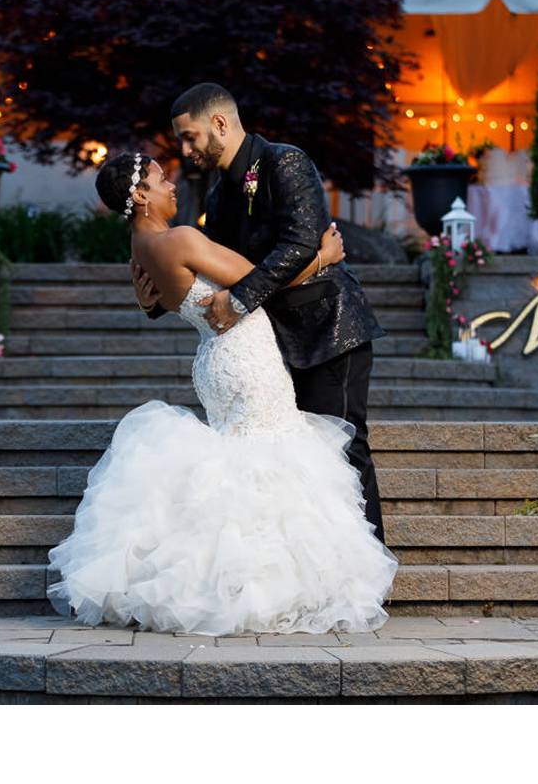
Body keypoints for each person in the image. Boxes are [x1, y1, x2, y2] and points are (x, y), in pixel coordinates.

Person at [45, 153, 398, 635]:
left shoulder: (140, 249)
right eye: (159, 178)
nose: (172, 185)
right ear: (141, 195)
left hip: (216, 360)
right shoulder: (181, 238)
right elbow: (258, 280)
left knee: (243, 465)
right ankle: (264, 586)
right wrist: (323, 258)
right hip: (244, 355)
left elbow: (165, 300)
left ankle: (233, 578)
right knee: (269, 464)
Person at [134, 83, 388, 542]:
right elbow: (218, 273)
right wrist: (157, 300)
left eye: (189, 137)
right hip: (269, 347)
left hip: (328, 330)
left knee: (344, 452)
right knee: (300, 465)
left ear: (220, 123)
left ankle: (371, 575)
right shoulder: (216, 196)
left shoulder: (282, 162)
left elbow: (300, 242)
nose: (185, 149)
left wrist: (239, 299)